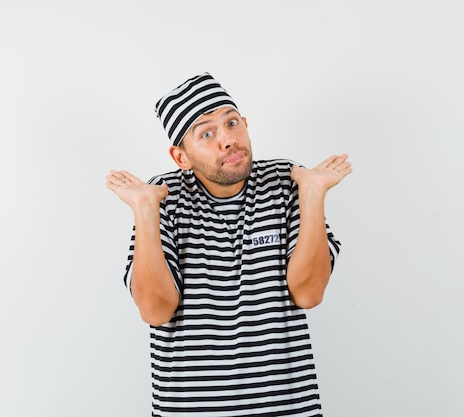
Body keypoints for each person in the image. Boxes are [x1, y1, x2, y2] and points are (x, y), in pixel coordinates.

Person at [105, 72, 352, 417]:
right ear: (182, 158)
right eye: (206, 133)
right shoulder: (163, 196)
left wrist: (313, 194)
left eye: (232, 123)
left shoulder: (288, 182)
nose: (228, 139)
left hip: (287, 408)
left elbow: (308, 294)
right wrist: (146, 211)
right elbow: (155, 310)